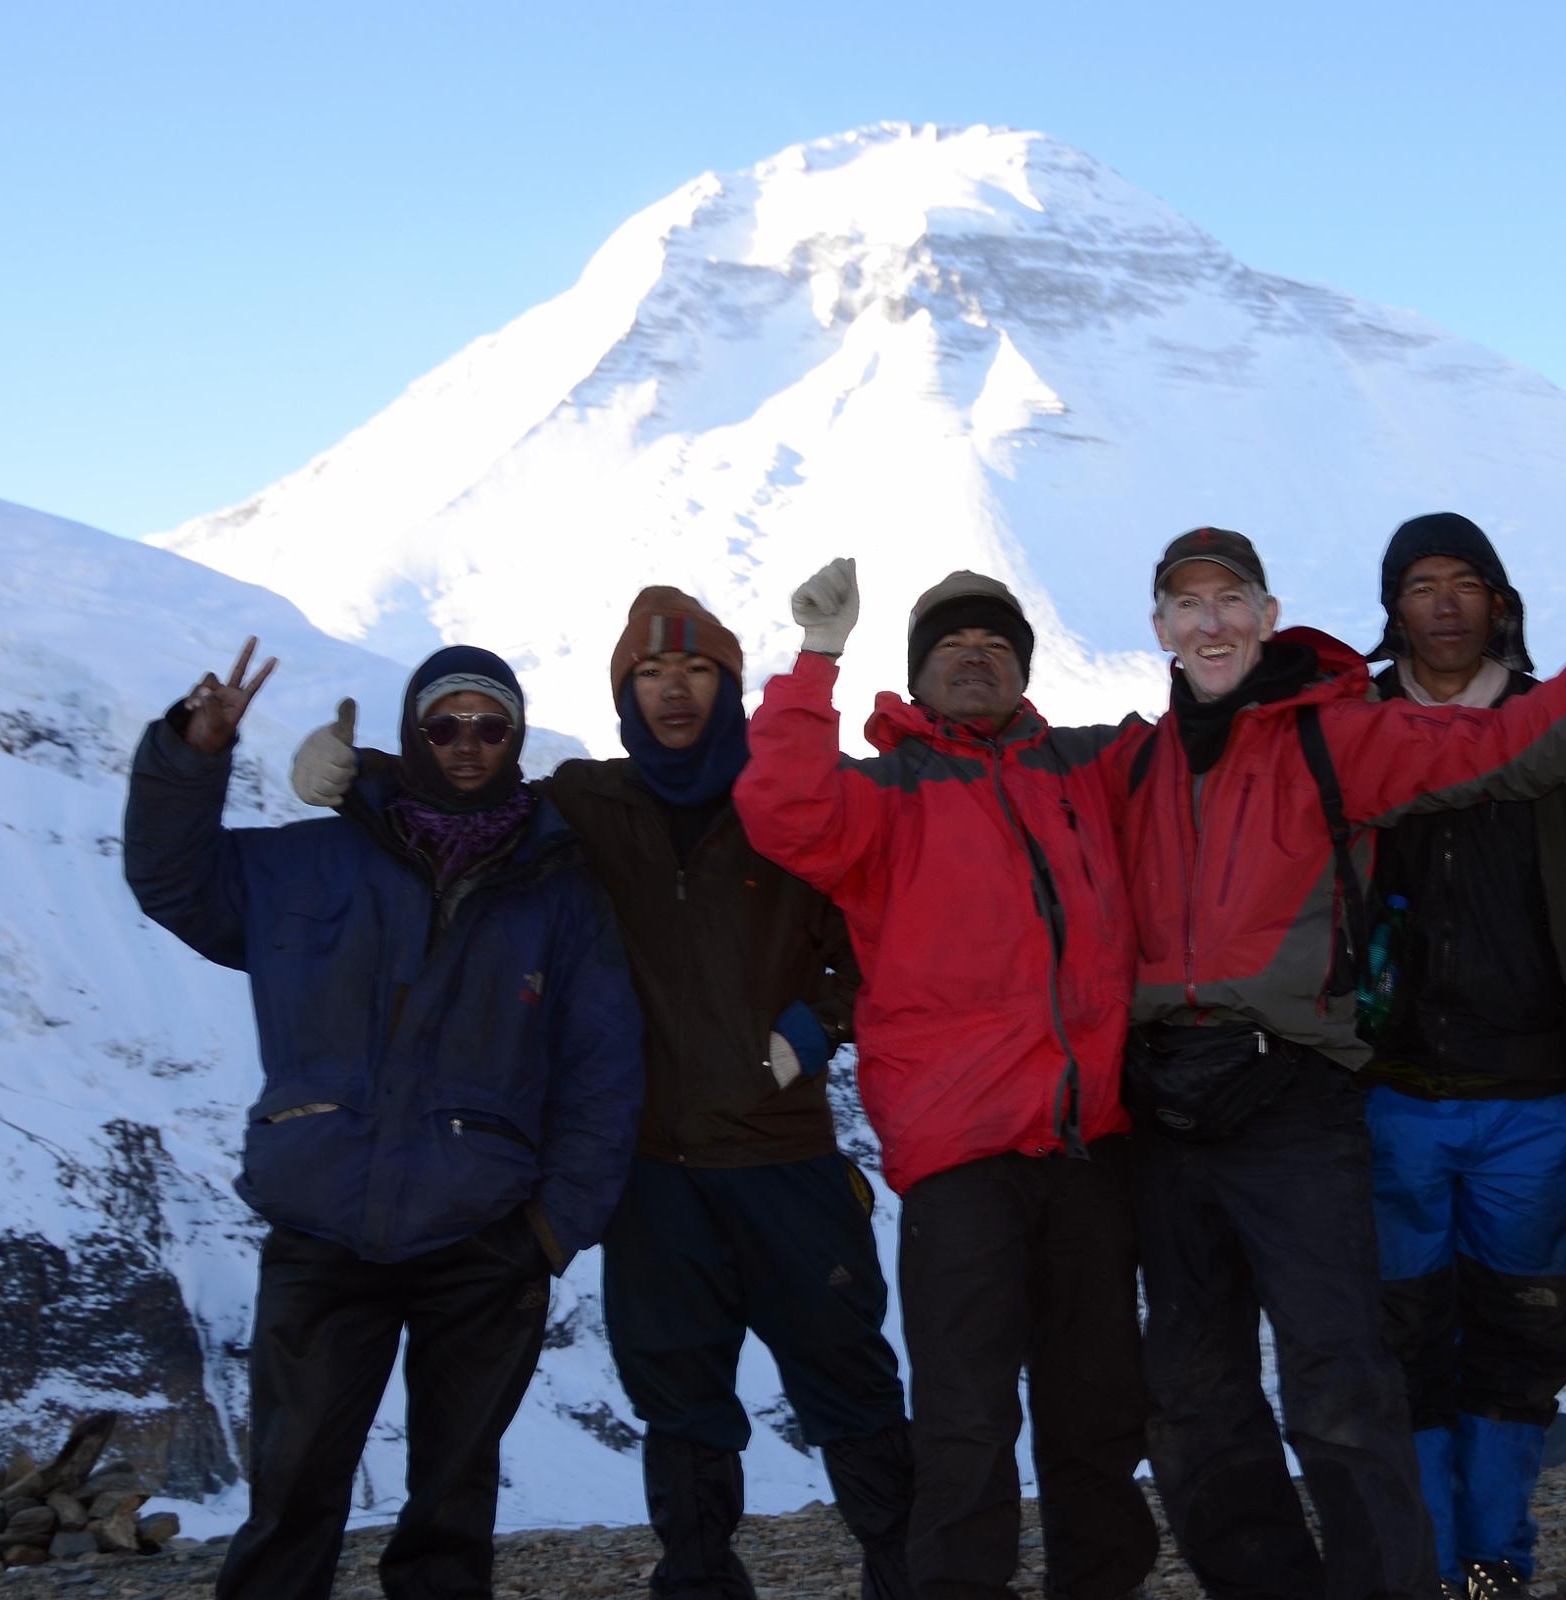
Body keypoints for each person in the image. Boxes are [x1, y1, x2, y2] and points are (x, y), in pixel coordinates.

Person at [1116, 527, 1566, 1600]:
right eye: (1186, 603)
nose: (1209, 621)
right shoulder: (1124, 762)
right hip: (1168, 1103)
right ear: (1160, 627)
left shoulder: (1333, 737)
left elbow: (1502, 744)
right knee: (1194, 1391)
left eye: (1231, 600)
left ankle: (1421, 1579)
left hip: (1300, 1091)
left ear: (1265, 615)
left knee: (1343, 1378)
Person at [290, 588, 913, 1600]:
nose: (675, 688)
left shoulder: (789, 795)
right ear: (625, 691)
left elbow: (873, 922)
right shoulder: (587, 802)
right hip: (653, 1170)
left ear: (729, 684)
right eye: (651, 673)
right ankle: (701, 1581)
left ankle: (911, 1574)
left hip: (784, 1156)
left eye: (698, 669)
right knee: (679, 1400)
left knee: (848, 1382)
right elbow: (467, 802)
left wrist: (817, 1022)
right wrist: (359, 779)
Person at [125, 639, 643, 1600]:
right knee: (291, 1493)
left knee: (452, 1506)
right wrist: (191, 755)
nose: (467, 744)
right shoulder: (309, 862)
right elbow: (173, 883)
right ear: (415, 731)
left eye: (491, 727)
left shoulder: (558, 890)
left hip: (486, 1239)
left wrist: (552, 1229)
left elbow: (603, 1066)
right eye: (446, 724)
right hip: (324, 1227)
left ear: (516, 738)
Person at [735, 567, 1158, 1600]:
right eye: (951, 645)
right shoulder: (883, 792)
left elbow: (1210, 740)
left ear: (1024, 666)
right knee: (967, 1419)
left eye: (997, 643)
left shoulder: (1084, 767)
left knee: (1097, 1407)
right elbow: (782, 808)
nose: (976, 655)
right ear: (919, 676)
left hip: (1090, 1143)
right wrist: (816, 661)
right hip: (962, 1156)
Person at [1359, 514, 1566, 1600]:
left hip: (1533, 1086)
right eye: (1424, 585)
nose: (1448, 603)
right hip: (1391, 1083)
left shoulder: (1555, 724)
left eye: (1468, 583)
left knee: (1519, 1332)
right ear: (1395, 606)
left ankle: (1496, 1558)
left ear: (1500, 600)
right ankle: (1425, 1559)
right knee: (1403, 1330)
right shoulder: (1352, 724)